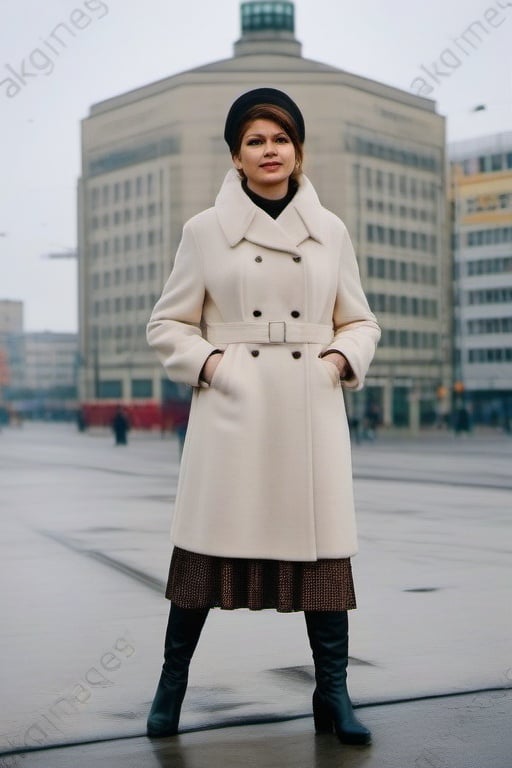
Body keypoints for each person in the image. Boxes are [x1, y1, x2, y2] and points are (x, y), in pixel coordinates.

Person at [146, 88, 380, 745]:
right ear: (237, 156)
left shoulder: (330, 230)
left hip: (308, 405)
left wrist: (338, 358)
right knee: (200, 563)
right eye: (255, 141)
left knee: (326, 564)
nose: (269, 151)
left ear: (298, 150)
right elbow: (168, 322)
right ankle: (171, 685)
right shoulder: (203, 231)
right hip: (234, 413)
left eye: (280, 139)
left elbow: (358, 318)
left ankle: (332, 692)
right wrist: (215, 367)